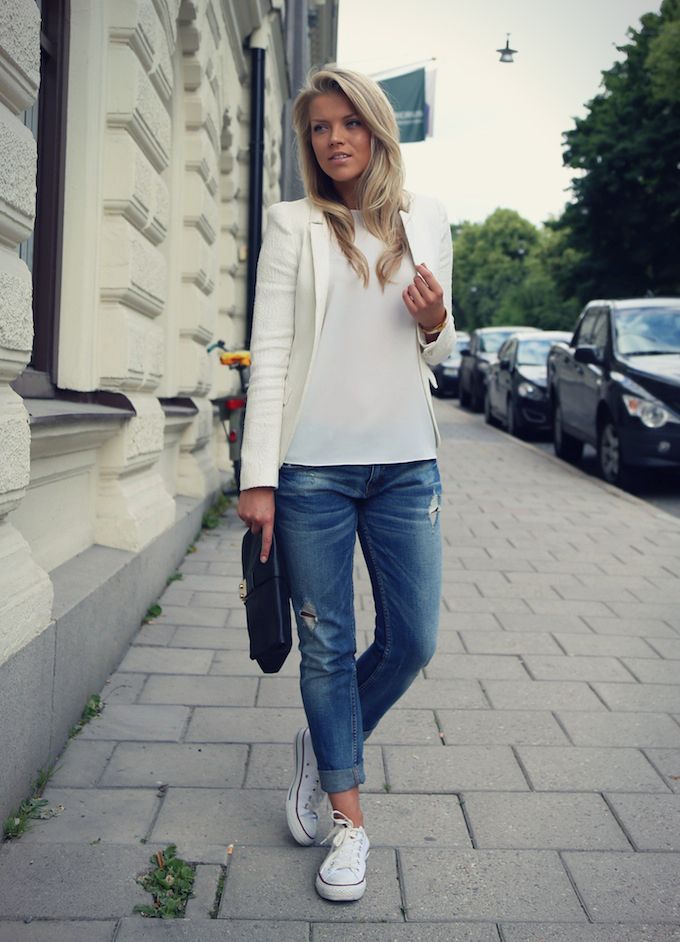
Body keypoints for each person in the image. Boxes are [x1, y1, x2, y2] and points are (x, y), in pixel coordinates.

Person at [237, 65, 455, 902]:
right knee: (326, 645)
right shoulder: (291, 225)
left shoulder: (426, 218)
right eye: (320, 127)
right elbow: (270, 355)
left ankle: (326, 744)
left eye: (349, 123)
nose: (334, 139)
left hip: (406, 465)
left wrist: (435, 320)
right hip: (311, 473)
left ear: (376, 129)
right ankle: (348, 822)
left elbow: (438, 346)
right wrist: (259, 478)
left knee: (413, 641)